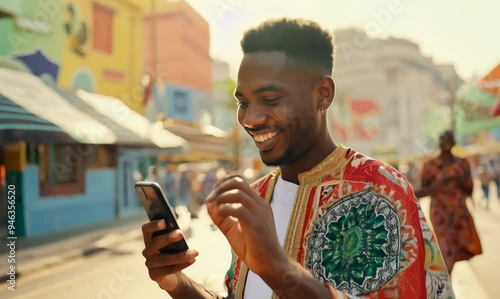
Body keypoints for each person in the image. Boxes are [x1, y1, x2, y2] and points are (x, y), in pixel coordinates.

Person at [141, 18, 454, 298]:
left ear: (324, 94)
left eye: (271, 99)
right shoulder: (257, 197)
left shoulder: (382, 190)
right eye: (243, 102)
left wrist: (280, 270)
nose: (250, 118)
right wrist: (177, 283)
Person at [415, 130, 482, 275]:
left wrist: (458, 182)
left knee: (457, 249)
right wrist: (438, 185)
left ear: (454, 142)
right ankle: (447, 284)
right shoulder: (430, 165)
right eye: (443, 139)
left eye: (449, 139)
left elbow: (470, 190)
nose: (446, 142)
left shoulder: (462, 163)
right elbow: (420, 192)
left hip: (459, 213)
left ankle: (448, 282)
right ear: (438, 142)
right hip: (440, 215)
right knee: (445, 248)